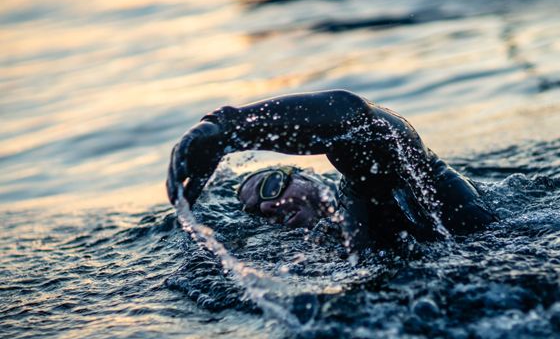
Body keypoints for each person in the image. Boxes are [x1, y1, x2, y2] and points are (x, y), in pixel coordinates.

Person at [166, 90, 496, 248]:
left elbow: (360, 121)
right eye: (256, 212)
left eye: (271, 186)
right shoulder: (319, 251)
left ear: (308, 176)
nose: (266, 206)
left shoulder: (364, 192)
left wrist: (228, 129)